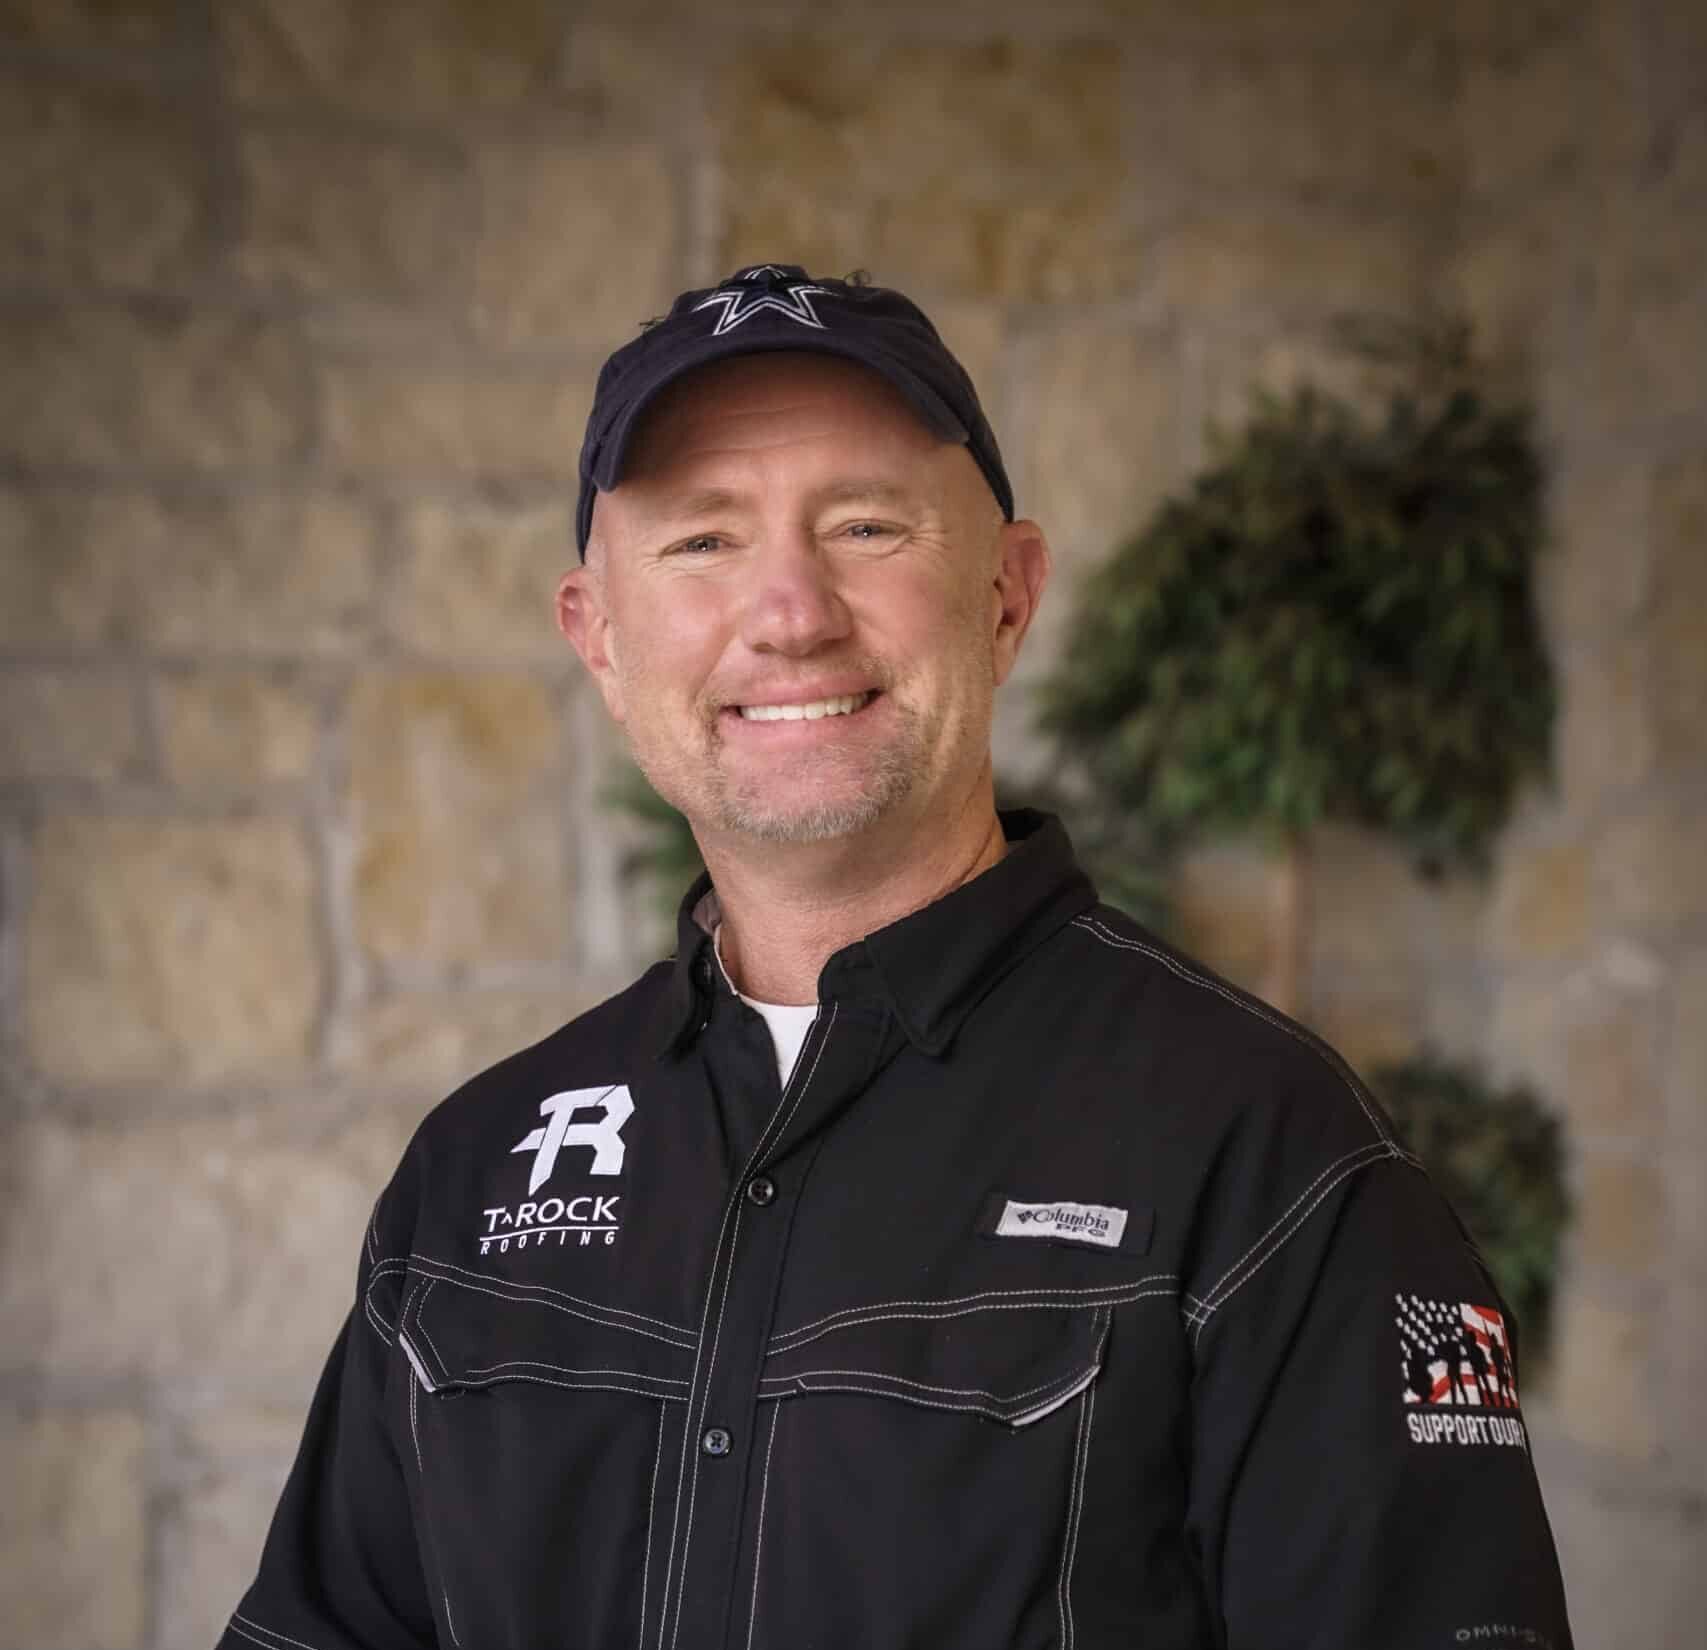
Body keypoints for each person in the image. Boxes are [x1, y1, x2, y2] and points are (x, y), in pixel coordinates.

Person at [221, 264, 1575, 1650]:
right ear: (601, 639)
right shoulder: (474, 1174)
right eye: (702, 542)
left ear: (1008, 592)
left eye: (866, 525)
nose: (792, 610)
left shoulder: (1271, 1158)